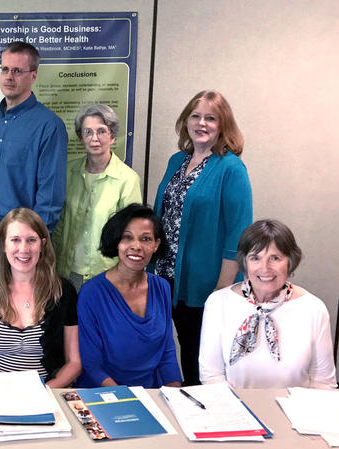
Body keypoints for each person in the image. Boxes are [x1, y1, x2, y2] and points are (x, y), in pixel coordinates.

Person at [152, 90, 252, 385]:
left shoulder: (230, 167)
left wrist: (221, 290)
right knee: (165, 352)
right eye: (195, 116)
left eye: (211, 117)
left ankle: (203, 417)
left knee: (197, 357)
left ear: (223, 125)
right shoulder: (176, 161)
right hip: (163, 276)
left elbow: (239, 234)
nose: (202, 123)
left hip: (202, 284)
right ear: (186, 121)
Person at [199, 220, 336, 388]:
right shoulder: (218, 303)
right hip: (235, 409)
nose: (265, 268)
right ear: (245, 262)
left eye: (275, 258)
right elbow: (212, 376)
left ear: (290, 262)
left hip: (295, 410)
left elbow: (323, 383)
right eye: (255, 258)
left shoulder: (314, 309)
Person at [0, 41, 68, 276]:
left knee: (21, 301)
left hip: (22, 236)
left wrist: (34, 239)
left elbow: (51, 193)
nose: (9, 77)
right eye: (4, 69)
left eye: (17, 71)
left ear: (33, 75)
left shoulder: (49, 125)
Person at [76, 204, 181, 388]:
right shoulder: (92, 293)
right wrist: (126, 401)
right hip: (104, 394)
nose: (136, 246)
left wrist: (175, 396)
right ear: (117, 242)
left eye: (146, 239)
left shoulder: (162, 287)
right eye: (127, 237)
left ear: (156, 245)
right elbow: (92, 364)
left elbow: (167, 352)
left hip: (151, 394)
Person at [0, 208, 81, 388]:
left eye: (31, 240)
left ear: (43, 244)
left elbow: (74, 363)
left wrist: (44, 393)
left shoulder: (64, 291)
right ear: (2, 244)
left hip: (47, 392)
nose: (23, 249)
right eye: (15, 240)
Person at [53, 104, 141, 290]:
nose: (94, 138)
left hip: (107, 275)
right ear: (81, 137)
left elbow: (132, 235)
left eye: (101, 131)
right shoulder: (67, 172)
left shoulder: (128, 179)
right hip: (67, 272)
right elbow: (59, 223)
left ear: (112, 136)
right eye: (88, 132)